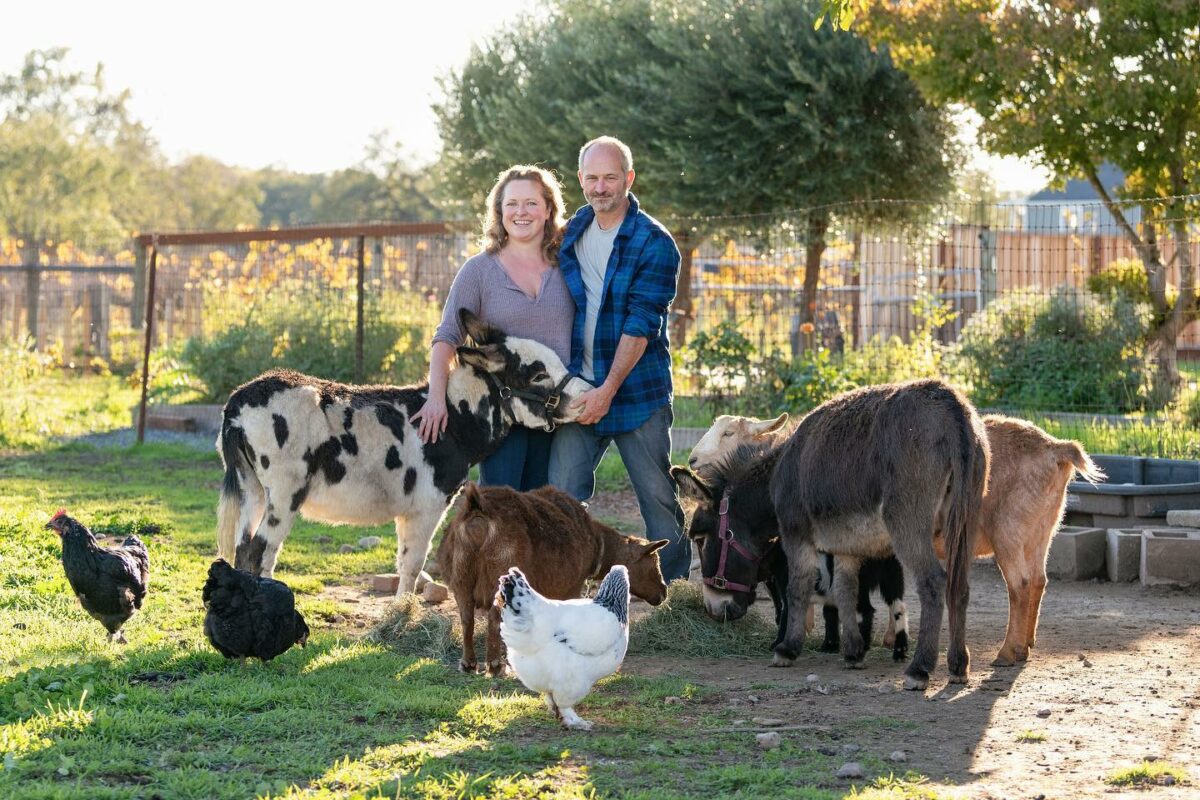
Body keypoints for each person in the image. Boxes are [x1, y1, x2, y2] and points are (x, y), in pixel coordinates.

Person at [548, 136, 690, 583]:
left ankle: (678, 592)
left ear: (629, 179)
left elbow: (641, 323)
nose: (600, 187)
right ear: (580, 180)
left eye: (610, 177)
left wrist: (607, 390)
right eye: (592, 178)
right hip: (579, 391)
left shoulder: (655, 243)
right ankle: (563, 587)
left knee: (657, 498)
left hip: (636, 394)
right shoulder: (569, 235)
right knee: (561, 496)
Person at [412, 165, 573, 490]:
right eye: (511, 203)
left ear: (548, 209)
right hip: (500, 416)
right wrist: (435, 398)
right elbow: (447, 337)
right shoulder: (479, 270)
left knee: (547, 511)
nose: (521, 212)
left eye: (531, 203)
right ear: (499, 211)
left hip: (557, 411)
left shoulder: (569, 266)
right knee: (502, 508)